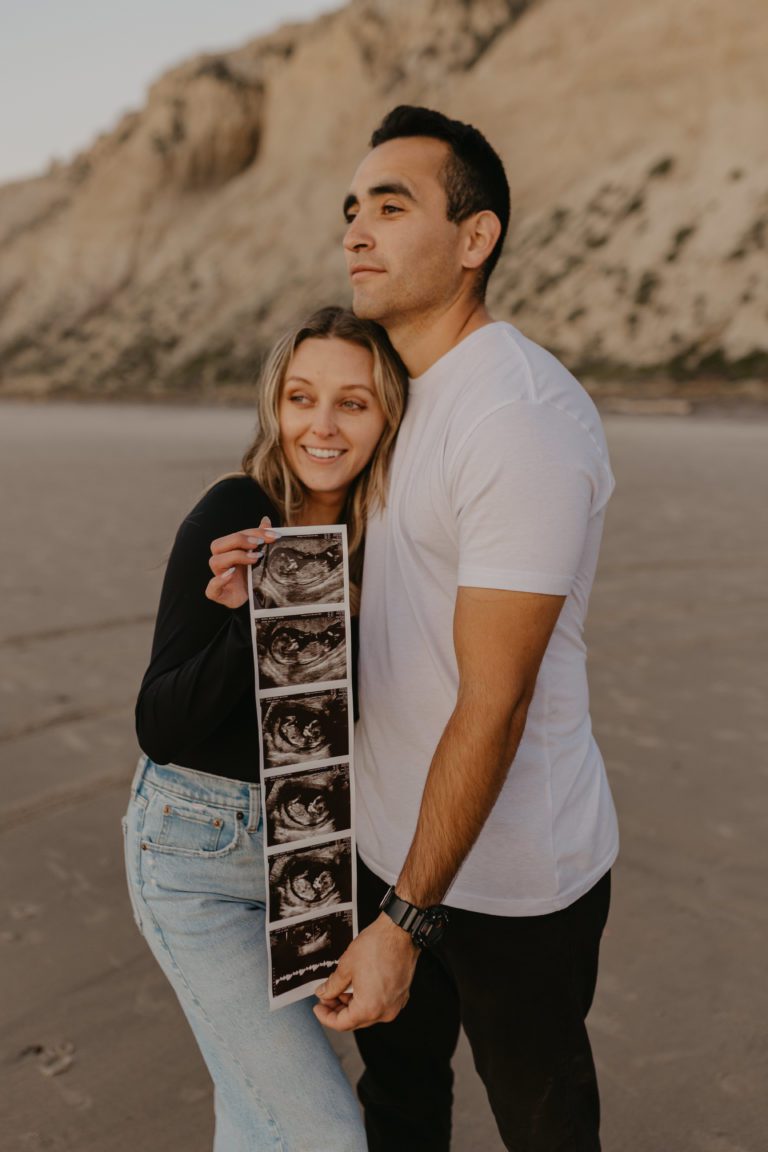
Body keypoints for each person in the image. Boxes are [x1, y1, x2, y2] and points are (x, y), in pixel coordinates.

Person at [314, 106, 619, 1152]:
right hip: (387, 845)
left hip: (508, 882)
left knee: (542, 1121)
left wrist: (405, 923)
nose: (357, 230)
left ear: (475, 238)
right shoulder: (401, 394)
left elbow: (496, 698)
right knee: (399, 1110)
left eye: (390, 208)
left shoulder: (517, 416)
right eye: (353, 209)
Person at [123, 306, 407, 1151]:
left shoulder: (390, 537)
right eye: (299, 398)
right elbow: (159, 723)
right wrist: (257, 622)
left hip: (317, 855)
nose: (320, 426)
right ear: (273, 408)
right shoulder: (237, 513)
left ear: (388, 413)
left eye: (352, 403)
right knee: (322, 1133)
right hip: (196, 853)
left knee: (258, 1115)